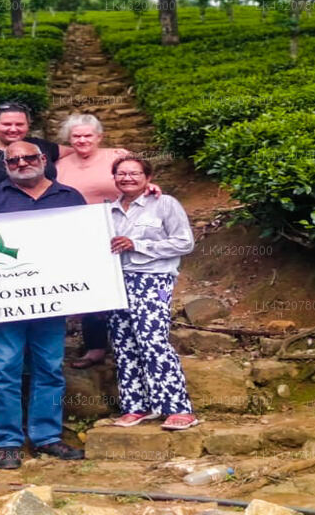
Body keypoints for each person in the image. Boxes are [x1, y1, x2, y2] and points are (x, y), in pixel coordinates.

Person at [0, 140, 88, 469]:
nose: (21, 162)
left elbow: (83, 242)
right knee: (3, 370)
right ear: (5, 165)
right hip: (1, 304)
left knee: (49, 369)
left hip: (50, 302)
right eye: (13, 159)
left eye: (28, 157)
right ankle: (8, 441)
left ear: (43, 159)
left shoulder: (69, 197)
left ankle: (47, 437)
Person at [105, 155, 199, 431]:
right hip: (115, 281)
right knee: (123, 343)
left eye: (134, 173)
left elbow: (184, 242)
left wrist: (138, 244)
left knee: (152, 340)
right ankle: (136, 406)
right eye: (121, 174)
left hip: (152, 280)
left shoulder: (164, 204)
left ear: (147, 178)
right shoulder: (107, 211)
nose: (127, 178)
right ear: (114, 178)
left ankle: (177, 407)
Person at [54, 113, 128, 370]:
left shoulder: (117, 156)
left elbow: (138, 180)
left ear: (99, 137)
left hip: (118, 230)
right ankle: (95, 346)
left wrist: (152, 188)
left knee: (124, 286)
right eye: (77, 136)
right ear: (69, 139)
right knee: (91, 291)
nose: (82, 140)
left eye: (88, 135)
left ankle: (127, 343)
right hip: (76, 234)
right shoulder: (59, 163)